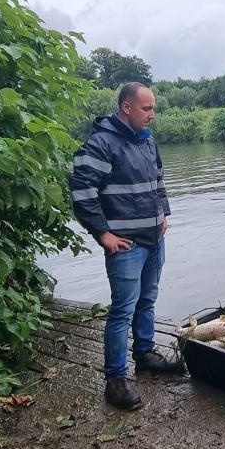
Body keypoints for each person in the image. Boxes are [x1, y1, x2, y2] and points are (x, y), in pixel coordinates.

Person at [69, 82, 183, 410]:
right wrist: (103, 234)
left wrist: (163, 213)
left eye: (153, 108)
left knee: (147, 300)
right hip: (126, 246)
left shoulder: (148, 141)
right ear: (126, 108)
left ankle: (145, 355)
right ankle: (115, 380)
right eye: (147, 109)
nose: (152, 115)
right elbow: (81, 191)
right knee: (122, 310)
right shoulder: (102, 143)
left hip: (153, 239)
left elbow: (159, 181)